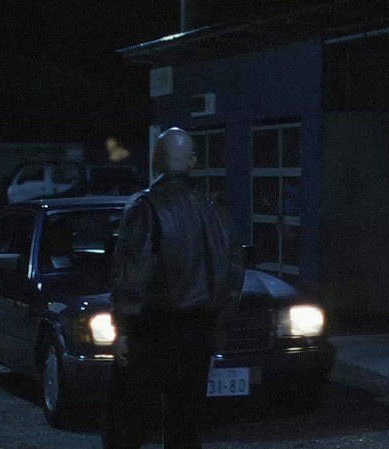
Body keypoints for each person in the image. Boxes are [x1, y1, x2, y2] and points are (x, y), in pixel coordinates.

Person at [102, 127, 231, 449]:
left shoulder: (145, 206)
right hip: (198, 333)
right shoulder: (211, 210)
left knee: (125, 426)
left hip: (153, 331)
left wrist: (124, 329)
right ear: (192, 162)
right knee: (185, 429)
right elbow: (230, 272)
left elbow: (132, 272)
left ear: (156, 161)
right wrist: (216, 328)